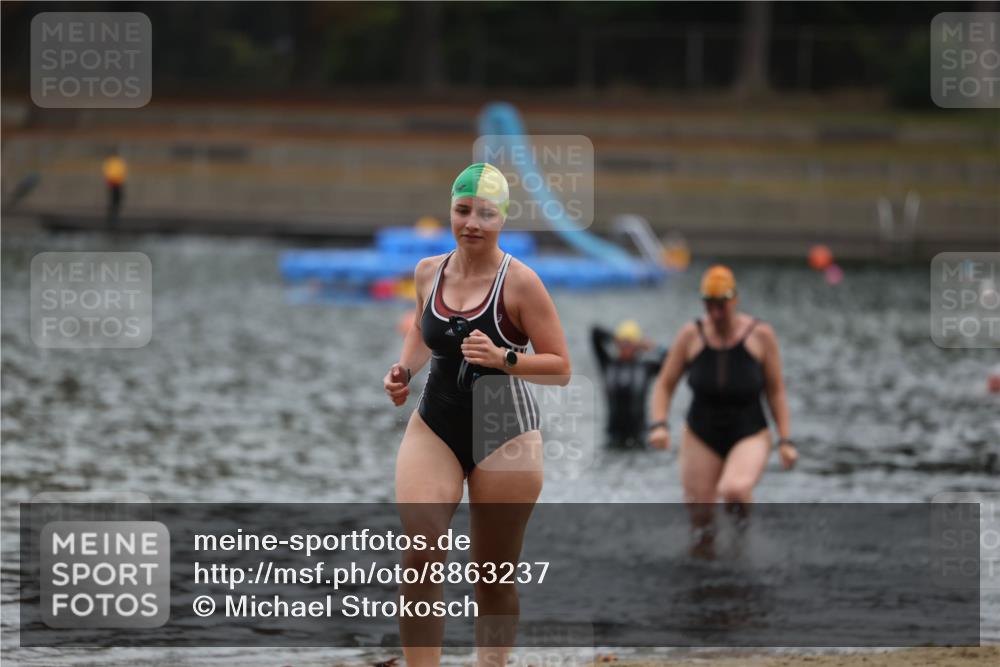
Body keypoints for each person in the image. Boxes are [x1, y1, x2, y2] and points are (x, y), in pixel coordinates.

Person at [383, 162, 571, 667]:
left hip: (505, 431)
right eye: (463, 210)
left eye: (485, 214)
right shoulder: (428, 272)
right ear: (451, 210)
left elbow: (561, 368)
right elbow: (423, 334)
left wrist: (506, 358)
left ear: (501, 219)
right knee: (420, 554)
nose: (472, 223)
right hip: (435, 424)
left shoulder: (522, 283)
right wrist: (402, 371)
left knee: (492, 576)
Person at [648, 265, 797, 553]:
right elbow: (664, 384)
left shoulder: (761, 335)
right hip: (701, 432)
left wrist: (786, 440)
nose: (715, 313)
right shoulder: (692, 334)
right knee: (701, 518)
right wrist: (659, 424)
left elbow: (776, 391)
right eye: (709, 305)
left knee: (735, 490)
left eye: (721, 305)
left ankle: (741, 544)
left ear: (734, 300)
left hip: (749, 430)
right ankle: (705, 571)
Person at [591, 320, 667, 449]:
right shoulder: (608, 364)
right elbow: (595, 333)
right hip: (613, 438)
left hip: (639, 437)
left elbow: (672, 360)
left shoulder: (645, 368)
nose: (625, 347)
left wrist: (653, 347)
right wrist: (616, 337)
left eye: (629, 343)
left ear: (637, 346)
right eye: (622, 343)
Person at [102, 149, 127, 229]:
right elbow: (108, 171)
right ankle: (112, 213)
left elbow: (122, 171)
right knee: (114, 198)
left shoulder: (116, 162)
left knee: (117, 198)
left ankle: (114, 212)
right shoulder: (113, 162)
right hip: (114, 182)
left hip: (117, 182)